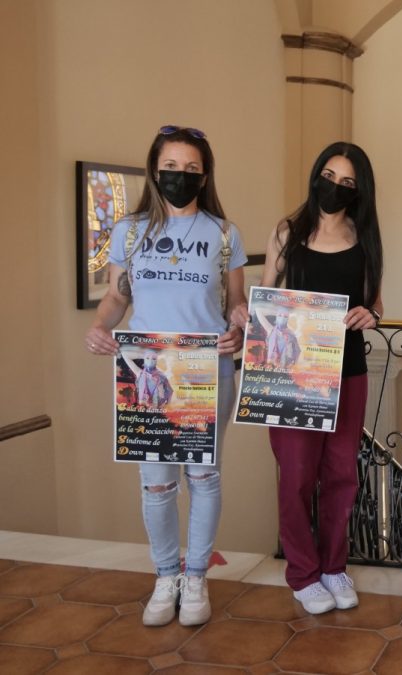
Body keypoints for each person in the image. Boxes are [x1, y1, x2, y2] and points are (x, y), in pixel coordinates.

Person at [85, 125, 247, 627]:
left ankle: (196, 575)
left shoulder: (224, 234)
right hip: (147, 367)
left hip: (206, 369)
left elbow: (236, 303)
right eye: (171, 168)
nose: (181, 176)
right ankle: (164, 576)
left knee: (202, 475)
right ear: (156, 170)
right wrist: (99, 328)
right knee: (156, 485)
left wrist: (239, 330)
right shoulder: (129, 232)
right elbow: (117, 296)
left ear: (205, 175)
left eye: (191, 170)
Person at [240, 142, 384, 615]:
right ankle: (302, 572)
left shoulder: (366, 239)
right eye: (328, 175)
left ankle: (333, 566)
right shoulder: (288, 231)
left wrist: (372, 315)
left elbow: (374, 302)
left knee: (342, 474)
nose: (334, 187)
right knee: (297, 475)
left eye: (347, 182)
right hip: (291, 375)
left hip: (349, 372)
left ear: (359, 191)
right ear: (315, 176)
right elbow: (267, 294)